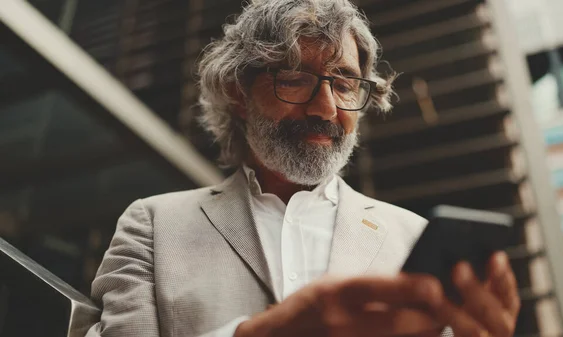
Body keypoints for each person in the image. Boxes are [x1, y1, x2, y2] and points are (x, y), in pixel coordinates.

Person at [79, 1, 520, 336]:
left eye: (344, 83)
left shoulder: (413, 237)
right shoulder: (153, 226)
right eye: (294, 78)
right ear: (238, 92)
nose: (326, 107)